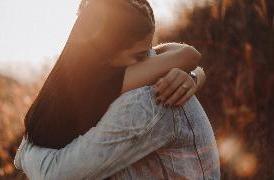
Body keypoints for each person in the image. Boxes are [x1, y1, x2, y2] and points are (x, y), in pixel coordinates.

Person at [14, 0, 220, 179]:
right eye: (140, 57)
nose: (151, 62)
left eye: (148, 52)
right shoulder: (99, 89)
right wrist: (194, 74)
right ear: (103, 57)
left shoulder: (148, 98)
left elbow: (54, 175)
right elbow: (187, 56)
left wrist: (25, 151)